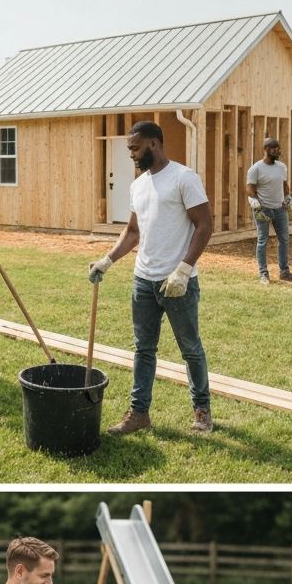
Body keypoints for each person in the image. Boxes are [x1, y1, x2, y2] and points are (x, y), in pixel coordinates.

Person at [88, 121, 214, 435]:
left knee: (190, 349)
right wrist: (108, 260)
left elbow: (204, 225)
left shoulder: (184, 178)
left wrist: (184, 270)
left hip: (176, 283)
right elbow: (133, 231)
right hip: (143, 280)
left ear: (154, 144)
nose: (130, 153)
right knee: (143, 349)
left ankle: (202, 411)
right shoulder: (138, 185)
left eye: (135, 147)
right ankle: (139, 414)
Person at [247, 138, 292, 285]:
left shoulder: (282, 167)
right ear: (266, 150)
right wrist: (255, 202)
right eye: (274, 149)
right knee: (262, 241)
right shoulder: (256, 168)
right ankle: (263, 274)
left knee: (284, 239)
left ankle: (285, 272)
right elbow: (250, 188)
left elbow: (284, 184)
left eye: (279, 148)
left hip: (280, 209)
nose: (278, 151)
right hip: (263, 210)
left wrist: (288, 198)